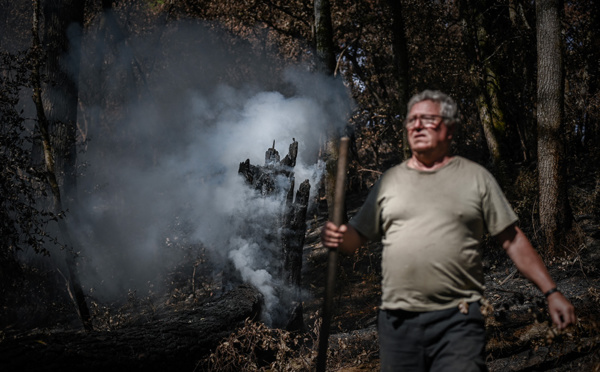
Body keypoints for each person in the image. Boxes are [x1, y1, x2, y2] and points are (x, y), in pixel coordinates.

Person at [321, 90, 576, 372]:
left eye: (427, 119)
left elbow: (512, 239)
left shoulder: (476, 178)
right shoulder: (389, 181)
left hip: (458, 319)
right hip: (398, 322)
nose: (416, 125)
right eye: (411, 120)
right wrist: (340, 237)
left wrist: (551, 292)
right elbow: (357, 236)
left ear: (450, 127)